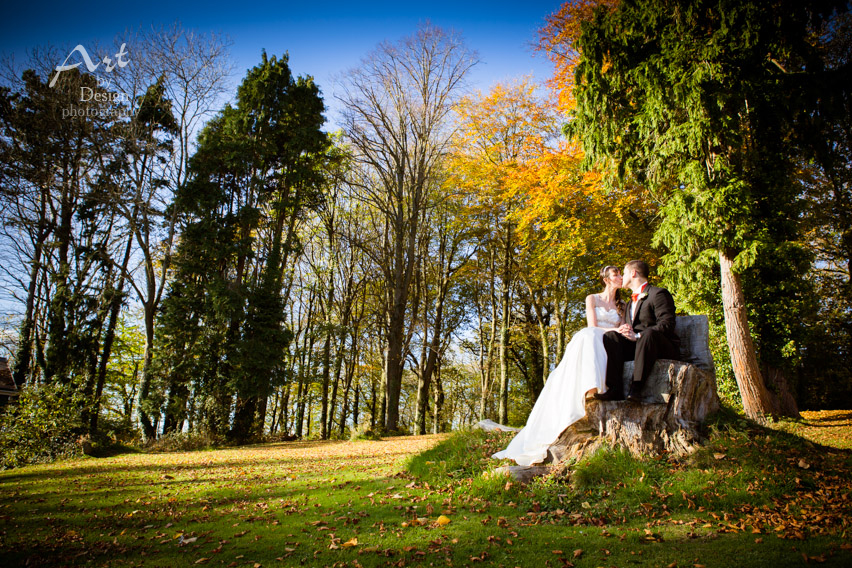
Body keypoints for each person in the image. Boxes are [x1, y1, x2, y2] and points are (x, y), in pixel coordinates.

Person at [492, 266, 625, 466]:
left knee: (596, 338)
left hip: (612, 339)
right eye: (616, 274)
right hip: (596, 334)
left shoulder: (622, 304)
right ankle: (589, 387)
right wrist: (616, 329)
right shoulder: (592, 298)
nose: (620, 277)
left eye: (621, 274)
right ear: (606, 279)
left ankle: (600, 386)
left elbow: (622, 327)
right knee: (588, 335)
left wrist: (621, 330)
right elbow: (593, 324)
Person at [594, 260, 680, 403]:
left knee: (648, 334)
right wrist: (627, 331)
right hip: (638, 346)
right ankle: (615, 389)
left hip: (659, 345)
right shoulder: (628, 304)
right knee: (611, 336)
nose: (622, 277)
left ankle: (636, 388)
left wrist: (638, 335)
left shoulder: (658, 293)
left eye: (625, 273)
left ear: (633, 273)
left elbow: (667, 324)